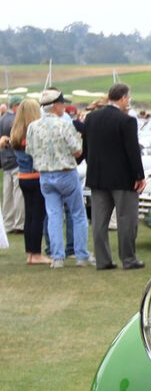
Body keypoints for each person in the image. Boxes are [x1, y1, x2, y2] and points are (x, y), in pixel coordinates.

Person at [83, 83, 147, 270]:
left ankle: (103, 260)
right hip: (122, 178)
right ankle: (128, 258)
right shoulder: (126, 120)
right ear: (123, 98)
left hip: (97, 176)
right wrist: (139, 175)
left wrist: (92, 167)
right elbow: (132, 151)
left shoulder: (91, 118)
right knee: (127, 220)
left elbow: (87, 148)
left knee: (99, 222)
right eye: (129, 98)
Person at [29, 89, 91, 268]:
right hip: (66, 172)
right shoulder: (65, 125)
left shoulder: (33, 126)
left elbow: (31, 151)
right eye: (62, 103)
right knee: (78, 214)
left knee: (54, 215)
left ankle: (57, 257)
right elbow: (77, 150)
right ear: (56, 105)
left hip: (45, 175)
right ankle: (81, 255)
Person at [2, 99, 49, 263]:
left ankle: (30, 252)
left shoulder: (16, 132)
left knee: (29, 216)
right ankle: (36, 253)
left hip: (23, 177)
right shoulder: (33, 132)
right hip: (36, 177)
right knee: (37, 216)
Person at [0, 102, 21, 233]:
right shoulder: (15, 119)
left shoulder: (1, 119)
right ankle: (19, 224)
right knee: (18, 194)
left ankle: (7, 224)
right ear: (16, 105)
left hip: (4, 160)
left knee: (7, 195)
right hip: (15, 159)